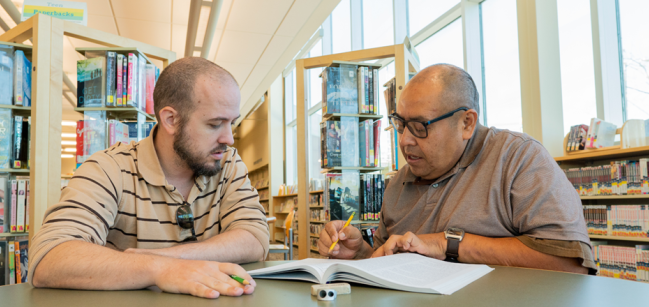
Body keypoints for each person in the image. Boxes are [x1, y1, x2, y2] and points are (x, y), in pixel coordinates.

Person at [319, 64, 596, 274]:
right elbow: (385, 261)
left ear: (466, 123)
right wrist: (359, 255)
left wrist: (447, 244)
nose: (404, 140)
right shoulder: (397, 184)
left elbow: (570, 264)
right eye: (401, 124)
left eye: (420, 127)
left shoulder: (518, 158)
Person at [29, 57, 270, 298]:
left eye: (232, 123)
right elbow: (49, 257)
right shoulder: (109, 168)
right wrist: (160, 269)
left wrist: (171, 258)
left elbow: (255, 237)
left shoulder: (227, 163)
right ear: (170, 120)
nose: (228, 138)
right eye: (215, 124)